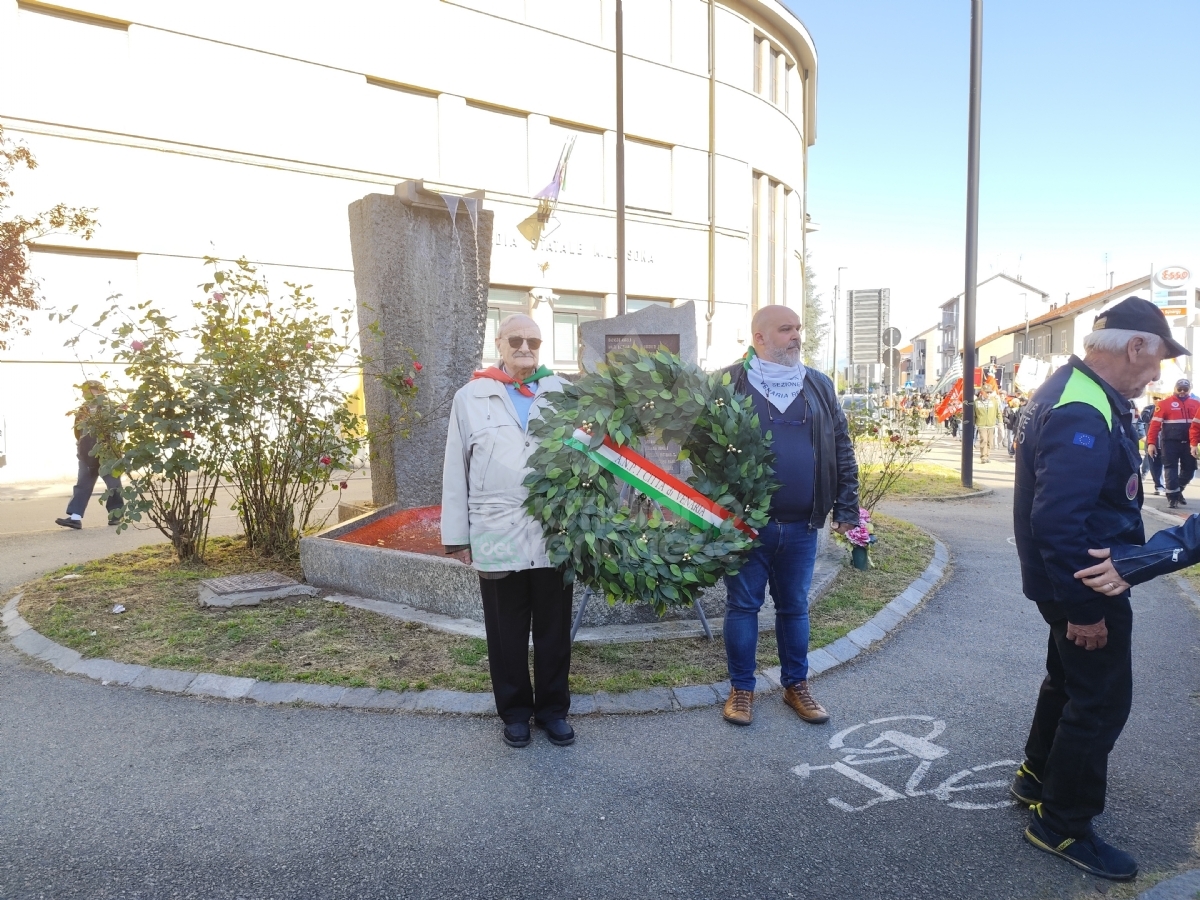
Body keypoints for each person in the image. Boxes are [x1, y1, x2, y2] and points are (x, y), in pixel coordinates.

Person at [1011, 296, 1185, 881]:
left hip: (1066, 581)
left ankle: (1037, 775)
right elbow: (1059, 522)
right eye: (1158, 357)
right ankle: (1061, 823)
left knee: (1066, 681)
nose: (1158, 372)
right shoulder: (1084, 409)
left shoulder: (1071, 387)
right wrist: (1086, 610)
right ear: (1136, 346)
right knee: (1101, 700)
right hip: (1086, 584)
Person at [718, 305, 860, 727]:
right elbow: (703, 450)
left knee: (794, 607)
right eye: (786, 330)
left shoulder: (817, 384)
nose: (796, 336)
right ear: (760, 338)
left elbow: (841, 447)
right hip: (745, 528)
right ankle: (741, 690)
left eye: (798, 328)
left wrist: (847, 506)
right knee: (743, 606)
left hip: (801, 526)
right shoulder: (728, 383)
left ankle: (795, 685)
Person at [441, 315, 573, 749]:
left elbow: (583, 461)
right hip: (495, 531)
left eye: (533, 340)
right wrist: (457, 537)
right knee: (506, 630)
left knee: (554, 629)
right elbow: (455, 469)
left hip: (553, 533)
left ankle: (553, 710)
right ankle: (515, 712)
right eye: (515, 339)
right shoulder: (471, 396)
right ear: (499, 343)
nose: (525, 347)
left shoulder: (561, 393)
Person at [54, 380, 123, 530]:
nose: (84, 394)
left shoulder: (112, 408)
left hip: (108, 455)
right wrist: (81, 447)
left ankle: (115, 515)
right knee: (82, 486)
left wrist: (116, 451)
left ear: (98, 391)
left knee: (114, 486)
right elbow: (78, 432)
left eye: (87, 390)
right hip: (87, 454)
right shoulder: (83, 410)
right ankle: (75, 518)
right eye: (83, 391)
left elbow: (120, 430)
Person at [1146, 379, 1199, 508]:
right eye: (1179, 389)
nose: (1181, 392)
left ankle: (1178, 490)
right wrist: (1151, 443)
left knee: (1190, 469)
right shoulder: (1164, 404)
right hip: (1170, 442)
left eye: (1185, 389)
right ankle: (1172, 497)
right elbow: (1154, 425)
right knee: (1170, 468)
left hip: (1189, 442)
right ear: (1175, 388)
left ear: (1189, 390)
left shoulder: (1196, 403)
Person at [1139, 403, 1163, 494]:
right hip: (1153, 440)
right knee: (1153, 462)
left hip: (1169, 442)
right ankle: (1159, 486)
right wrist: (1142, 435)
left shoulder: (1173, 406)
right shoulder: (1149, 409)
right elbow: (1141, 421)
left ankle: (1174, 488)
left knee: (1170, 466)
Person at [975, 385, 1002, 463]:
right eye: (987, 392)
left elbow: (998, 412)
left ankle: (987, 455)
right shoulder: (977, 401)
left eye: (990, 392)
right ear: (982, 392)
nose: (988, 394)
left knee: (990, 442)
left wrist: (1000, 421)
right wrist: (973, 423)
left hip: (991, 424)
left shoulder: (994, 401)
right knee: (984, 440)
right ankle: (983, 457)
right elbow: (974, 414)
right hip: (981, 424)